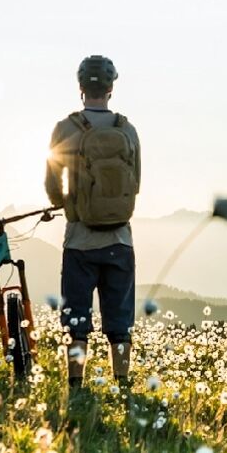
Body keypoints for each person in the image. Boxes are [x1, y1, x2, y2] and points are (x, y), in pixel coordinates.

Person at [44, 54, 141, 388]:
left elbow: (52, 184)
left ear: (80, 87)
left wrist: (68, 206)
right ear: (111, 88)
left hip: (79, 241)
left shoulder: (66, 128)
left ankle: (76, 388)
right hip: (119, 241)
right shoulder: (126, 130)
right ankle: (123, 385)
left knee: (77, 320)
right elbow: (136, 184)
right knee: (120, 321)